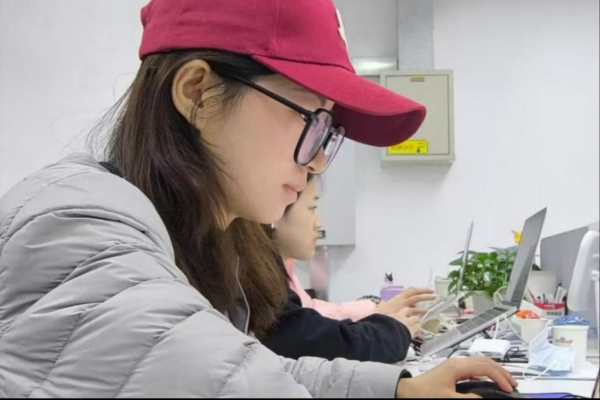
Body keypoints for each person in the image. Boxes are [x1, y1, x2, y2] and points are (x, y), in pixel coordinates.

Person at [0, 0, 517, 397]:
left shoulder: (198, 241)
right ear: (198, 93)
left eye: (329, 132)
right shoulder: (79, 237)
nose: (318, 161)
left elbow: (254, 370)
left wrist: (400, 389)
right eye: (311, 119)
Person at [262, 175, 427, 363]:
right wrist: (393, 331)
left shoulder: (273, 268)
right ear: (274, 211)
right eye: (312, 208)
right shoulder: (257, 278)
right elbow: (311, 337)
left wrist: (378, 311)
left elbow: (309, 316)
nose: (319, 223)